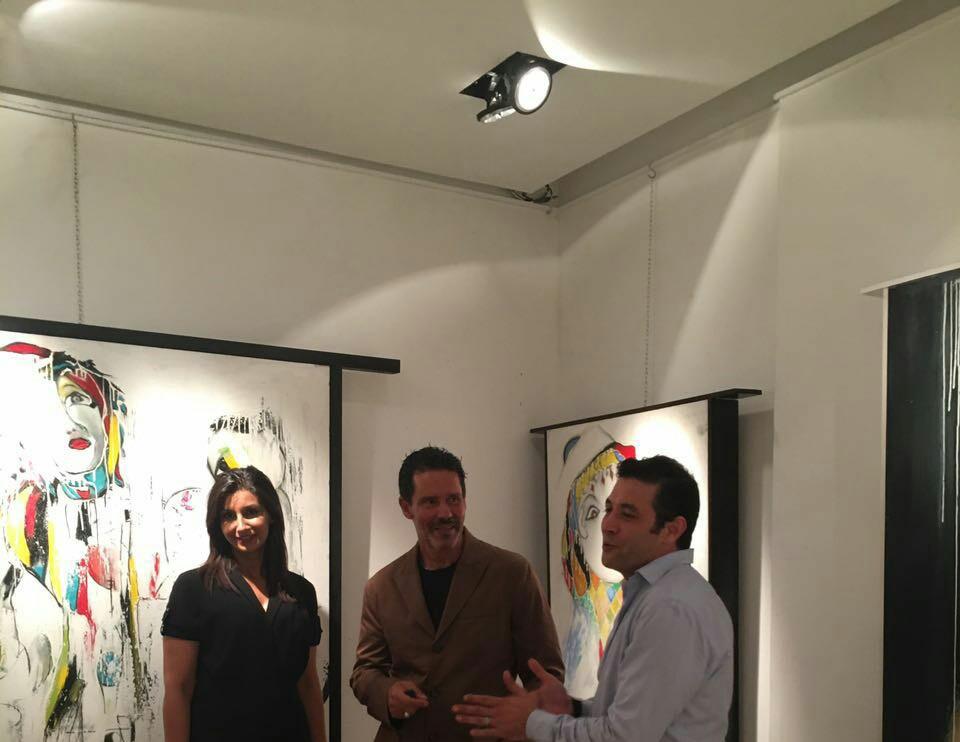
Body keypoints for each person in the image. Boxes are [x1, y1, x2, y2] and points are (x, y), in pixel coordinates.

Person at [453, 455, 733, 742]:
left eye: (627, 514)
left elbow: (623, 737)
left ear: (671, 530)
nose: (607, 525)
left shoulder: (670, 609)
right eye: (608, 509)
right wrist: (571, 709)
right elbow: (624, 719)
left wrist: (531, 724)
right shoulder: (654, 597)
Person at [351, 445, 564, 742]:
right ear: (406, 507)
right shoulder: (382, 586)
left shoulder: (512, 574)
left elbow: (545, 674)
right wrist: (387, 694)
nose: (445, 513)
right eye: (430, 502)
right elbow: (365, 671)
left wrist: (525, 717)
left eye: (453, 499)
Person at [161, 466, 327, 742]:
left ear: (271, 515)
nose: (240, 526)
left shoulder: (301, 592)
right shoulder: (193, 589)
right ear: (217, 524)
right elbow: (179, 688)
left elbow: (308, 683)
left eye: (250, 512)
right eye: (228, 516)